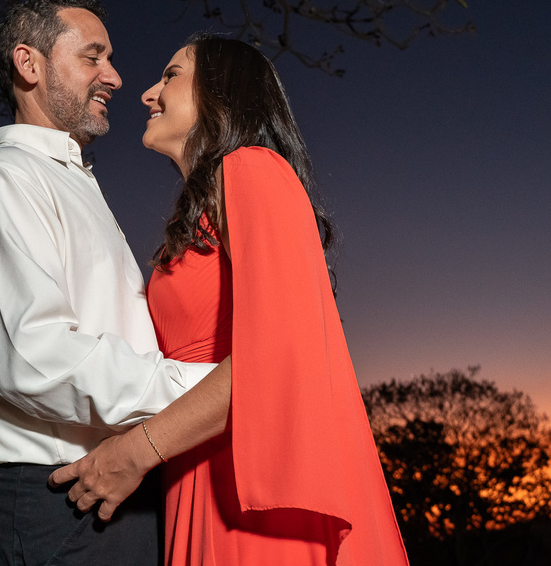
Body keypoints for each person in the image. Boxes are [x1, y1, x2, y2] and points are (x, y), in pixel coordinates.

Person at [50, 36, 410, 565]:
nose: (148, 93)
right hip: (192, 467)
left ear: (220, 92)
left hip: (249, 485)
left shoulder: (253, 168)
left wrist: (134, 452)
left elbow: (281, 353)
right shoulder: (201, 210)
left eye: (170, 75)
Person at [0, 0, 216, 566]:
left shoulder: (71, 182)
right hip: (46, 504)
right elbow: (36, 358)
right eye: (93, 57)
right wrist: (209, 391)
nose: (114, 75)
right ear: (29, 64)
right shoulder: (1, 182)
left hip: (108, 493)